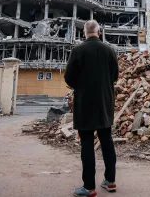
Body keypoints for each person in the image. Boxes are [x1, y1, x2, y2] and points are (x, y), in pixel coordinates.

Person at [64, 20, 119, 197]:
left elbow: (69, 78)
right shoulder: (109, 50)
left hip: (85, 103)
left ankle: (89, 187)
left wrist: (80, 86)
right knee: (107, 140)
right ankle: (110, 181)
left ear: (84, 33)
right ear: (99, 32)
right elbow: (115, 75)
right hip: (105, 102)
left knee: (87, 143)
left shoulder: (78, 51)